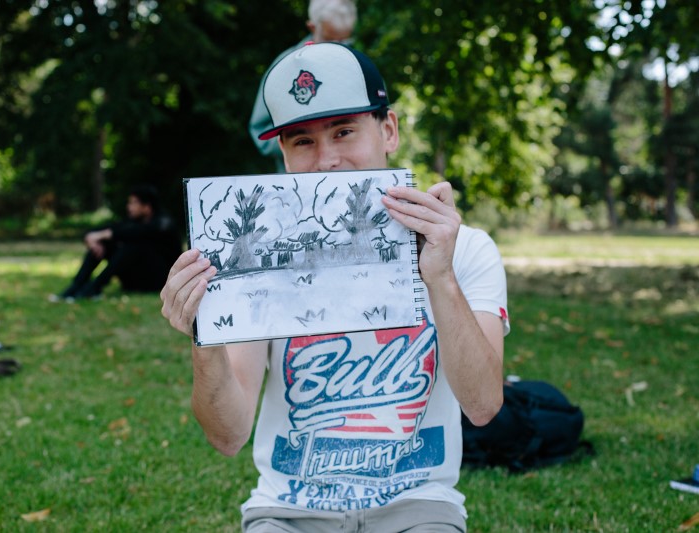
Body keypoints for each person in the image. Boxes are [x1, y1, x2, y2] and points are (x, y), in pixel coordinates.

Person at [162, 42, 510, 532]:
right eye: (302, 141)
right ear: (282, 153)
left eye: (344, 132)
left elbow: (482, 406)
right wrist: (206, 337)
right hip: (287, 509)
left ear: (388, 130)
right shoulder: (256, 258)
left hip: (417, 507)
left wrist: (439, 277)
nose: (326, 160)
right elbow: (228, 436)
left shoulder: (466, 250)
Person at [248, 0, 357, 172]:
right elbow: (260, 129)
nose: (339, 47)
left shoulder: (357, 65)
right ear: (312, 27)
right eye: (331, 39)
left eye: (344, 40)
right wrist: (302, 142)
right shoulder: (284, 68)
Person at [53, 184, 181, 301]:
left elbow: (137, 232)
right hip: (134, 279)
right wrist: (92, 238)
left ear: (147, 207)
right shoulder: (133, 221)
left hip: (158, 280)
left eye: (133, 203)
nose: (129, 207)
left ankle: (94, 288)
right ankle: (77, 285)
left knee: (133, 245)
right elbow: (106, 230)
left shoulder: (164, 223)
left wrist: (105, 234)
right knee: (105, 244)